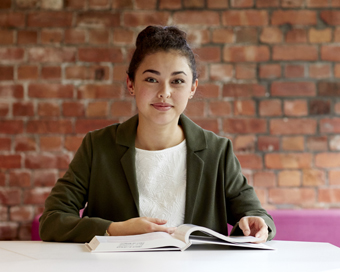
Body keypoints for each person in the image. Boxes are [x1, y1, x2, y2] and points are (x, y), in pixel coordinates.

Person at [39, 25, 276, 243]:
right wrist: (115, 229)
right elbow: (52, 220)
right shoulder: (98, 146)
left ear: (192, 87)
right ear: (131, 84)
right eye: (151, 79)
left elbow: (256, 215)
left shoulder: (217, 151)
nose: (164, 92)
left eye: (177, 81)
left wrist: (256, 224)